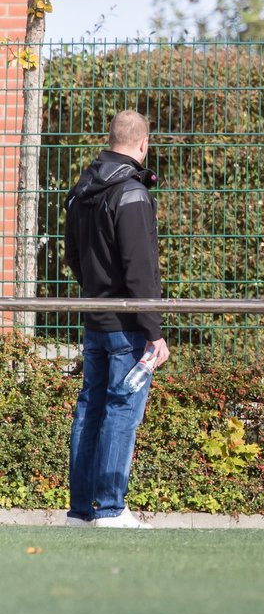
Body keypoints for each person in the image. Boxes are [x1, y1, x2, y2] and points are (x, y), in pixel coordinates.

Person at [63, 109, 169, 528]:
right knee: (123, 410)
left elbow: (73, 255)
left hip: (94, 319)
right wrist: (154, 332)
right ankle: (109, 509)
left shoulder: (80, 190)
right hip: (128, 326)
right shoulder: (132, 193)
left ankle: (81, 511)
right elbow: (140, 268)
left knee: (90, 409)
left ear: (112, 140)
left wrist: (96, 292)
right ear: (143, 144)